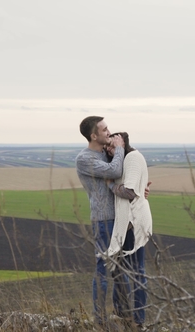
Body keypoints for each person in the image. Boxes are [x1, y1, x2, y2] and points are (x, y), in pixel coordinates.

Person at [75, 116, 128, 326]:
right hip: (104, 220)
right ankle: (100, 319)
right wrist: (120, 148)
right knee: (103, 269)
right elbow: (115, 171)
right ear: (93, 135)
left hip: (120, 218)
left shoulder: (107, 154)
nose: (109, 132)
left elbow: (121, 177)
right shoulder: (85, 159)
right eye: (104, 130)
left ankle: (122, 314)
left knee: (121, 269)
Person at [105, 132, 152, 328]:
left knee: (136, 271)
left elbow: (130, 192)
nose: (110, 147)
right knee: (120, 268)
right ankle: (122, 312)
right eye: (108, 145)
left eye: (114, 142)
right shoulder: (125, 161)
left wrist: (110, 185)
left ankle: (138, 319)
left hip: (133, 222)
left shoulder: (132, 157)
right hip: (127, 222)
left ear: (124, 142)